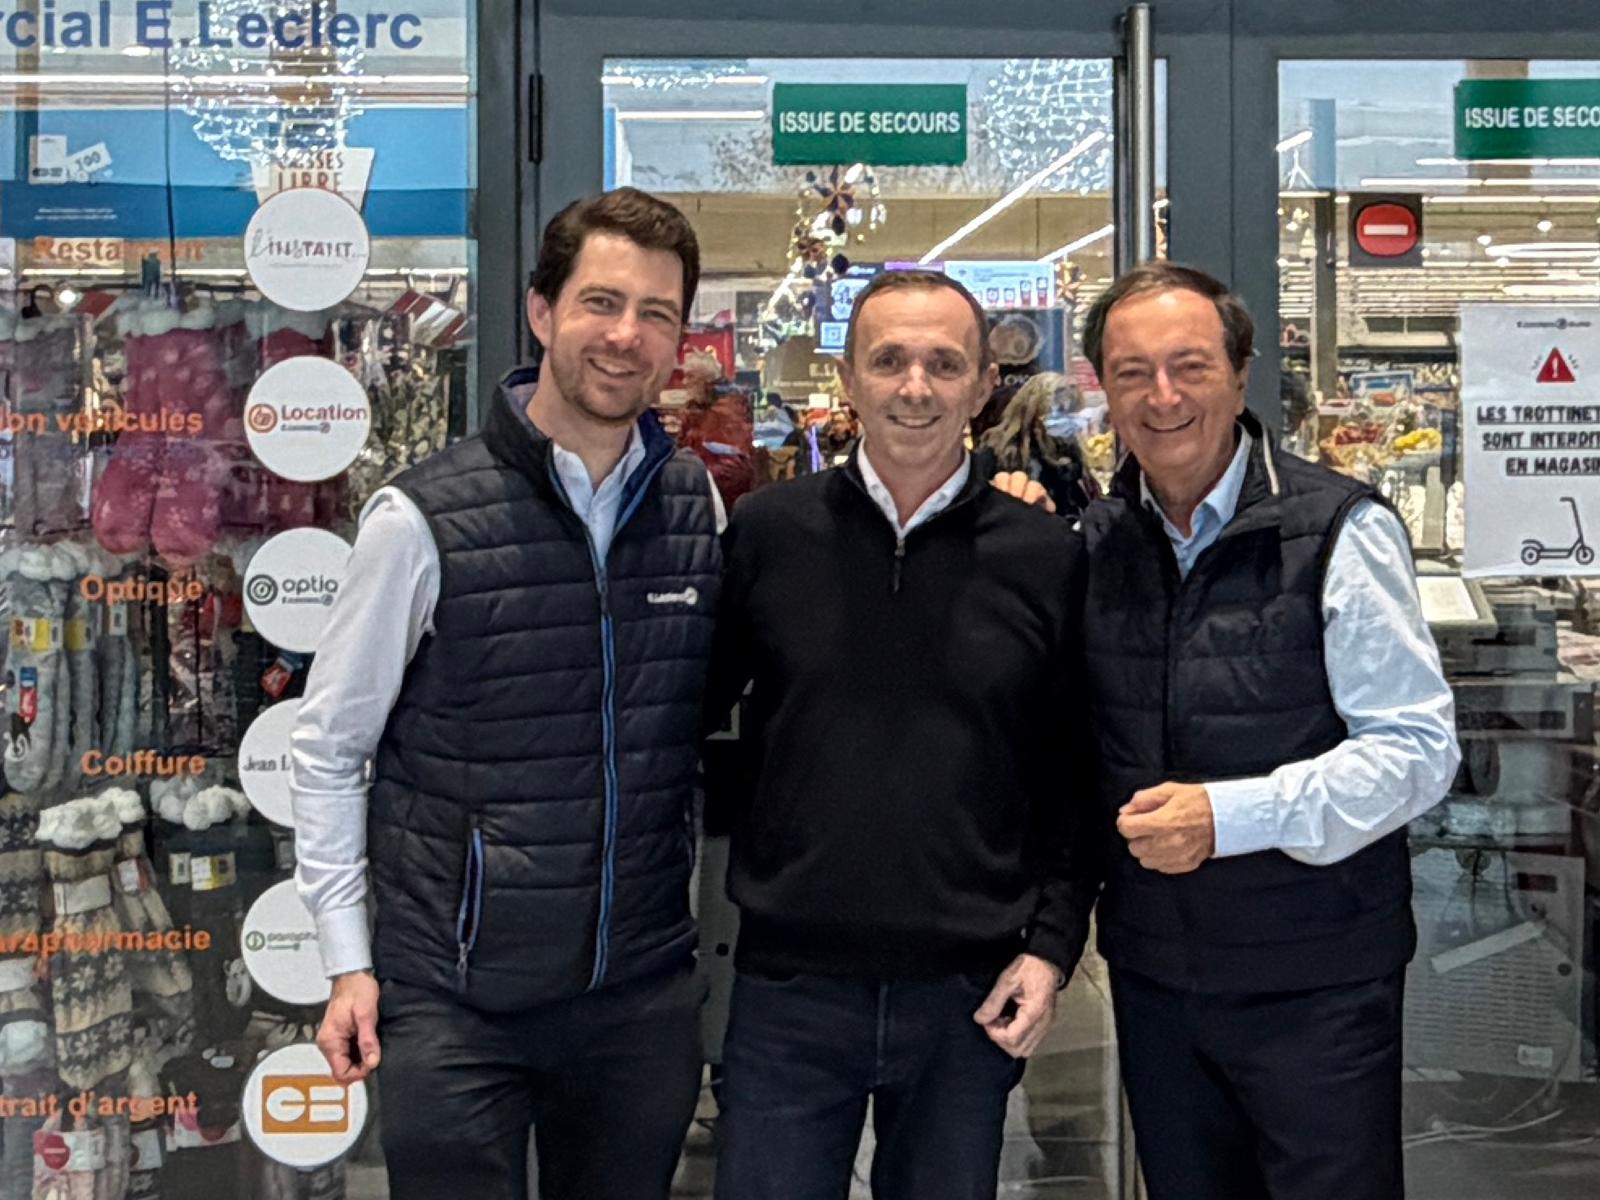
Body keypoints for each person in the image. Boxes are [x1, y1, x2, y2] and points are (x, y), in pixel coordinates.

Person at [290, 187, 725, 1200]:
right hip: (455, 1000)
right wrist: (349, 963)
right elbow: (327, 749)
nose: (626, 336)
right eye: (600, 303)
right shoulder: (422, 519)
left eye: (656, 313)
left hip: (639, 994)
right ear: (541, 313)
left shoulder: (694, 505)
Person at [1000, 261, 1458, 1200]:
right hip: (1160, 981)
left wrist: (1231, 815)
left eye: (1189, 366)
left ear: (1239, 373)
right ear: (1103, 390)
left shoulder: (1337, 531)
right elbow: (1076, 761)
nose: (1161, 397)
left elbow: (1417, 752)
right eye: (1132, 373)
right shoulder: (1097, 545)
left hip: (1318, 985)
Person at [705, 269, 1100, 1200]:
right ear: (848, 378)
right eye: (887, 361)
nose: (913, 387)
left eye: (941, 363)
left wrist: (1049, 947)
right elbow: (691, 720)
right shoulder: (767, 534)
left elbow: (1075, 774)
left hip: (968, 994)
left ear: (980, 386)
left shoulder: (1044, 558)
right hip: (789, 989)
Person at [976, 371, 1101, 518]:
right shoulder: (996, 456)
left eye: (1073, 412)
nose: (1071, 422)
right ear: (1036, 414)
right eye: (1060, 412)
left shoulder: (1073, 457)